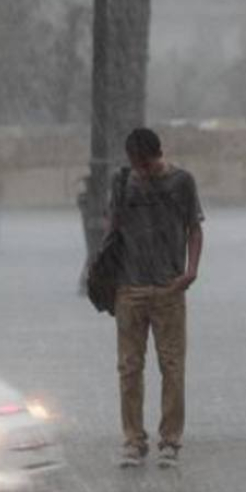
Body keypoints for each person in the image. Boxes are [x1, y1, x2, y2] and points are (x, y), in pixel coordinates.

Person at [107, 127, 204, 468]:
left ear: (157, 156)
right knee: (129, 367)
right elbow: (112, 230)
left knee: (172, 366)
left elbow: (195, 227)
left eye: (145, 164)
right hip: (129, 287)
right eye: (136, 165)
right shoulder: (123, 182)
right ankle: (133, 439)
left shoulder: (182, 182)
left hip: (168, 287)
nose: (141, 172)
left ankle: (170, 439)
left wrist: (191, 270)